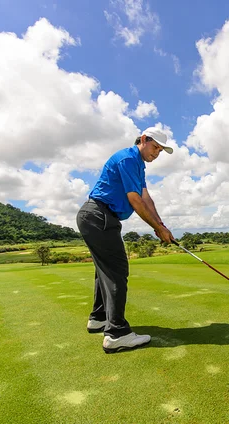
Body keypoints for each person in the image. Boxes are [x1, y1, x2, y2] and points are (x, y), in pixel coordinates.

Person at [76, 127, 175, 354]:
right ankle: (116, 333)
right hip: (99, 216)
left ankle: (99, 318)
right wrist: (157, 229)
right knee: (117, 271)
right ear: (143, 140)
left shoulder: (137, 165)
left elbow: (145, 197)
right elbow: (134, 201)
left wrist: (162, 225)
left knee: (104, 271)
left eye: (160, 150)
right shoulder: (128, 158)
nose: (157, 153)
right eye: (155, 147)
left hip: (97, 217)